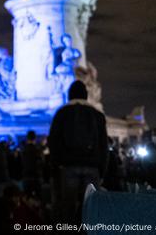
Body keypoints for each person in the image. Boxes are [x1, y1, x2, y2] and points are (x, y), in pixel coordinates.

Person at [48, 81, 107, 225]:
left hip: (68, 167)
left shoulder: (61, 113)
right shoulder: (97, 115)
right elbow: (103, 145)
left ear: (69, 95)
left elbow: (53, 142)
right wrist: (102, 171)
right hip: (92, 166)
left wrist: (56, 167)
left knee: (67, 208)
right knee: (91, 208)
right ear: (86, 95)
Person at [21, 130, 43, 198]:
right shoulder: (38, 150)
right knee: (38, 197)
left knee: (27, 197)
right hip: (36, 176)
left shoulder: (24, 149)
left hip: (26, 175)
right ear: (35, 138)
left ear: (27, 138)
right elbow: (41, 163)